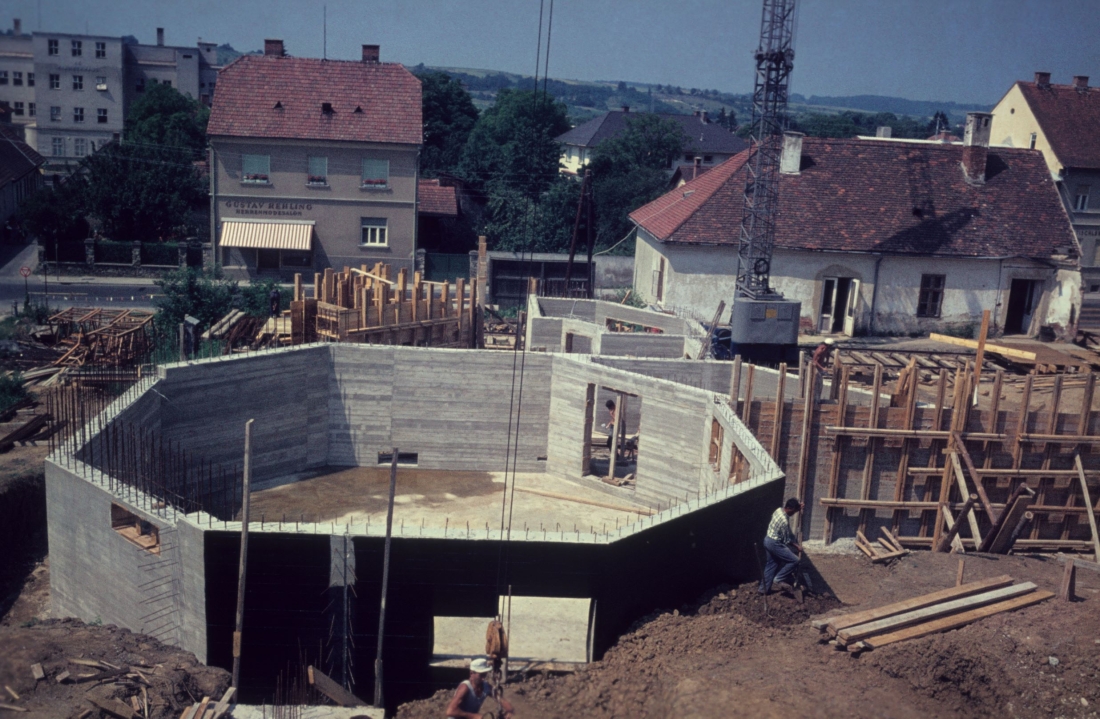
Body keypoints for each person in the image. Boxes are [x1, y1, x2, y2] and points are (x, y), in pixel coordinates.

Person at [759, 497, 803, 595]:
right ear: (790, 509)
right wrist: (796, 546)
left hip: (767, 540)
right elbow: (786, 540)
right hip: (774, 543)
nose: (794, 513)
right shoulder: (784, 521)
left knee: (772, 564)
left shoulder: (778, 510)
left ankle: (763, 589)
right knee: (795, 560)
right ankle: (779, 578)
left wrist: (798, 507)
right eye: (794, 511)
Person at [446, 657, 515, 719]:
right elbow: (450, 711)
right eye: (481, 675)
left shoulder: (486, 686)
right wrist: (473, 716)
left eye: (484, 675)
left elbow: (500, 699)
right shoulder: (465, 687)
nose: (483, 678)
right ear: (471, 673)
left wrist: (509, 710)